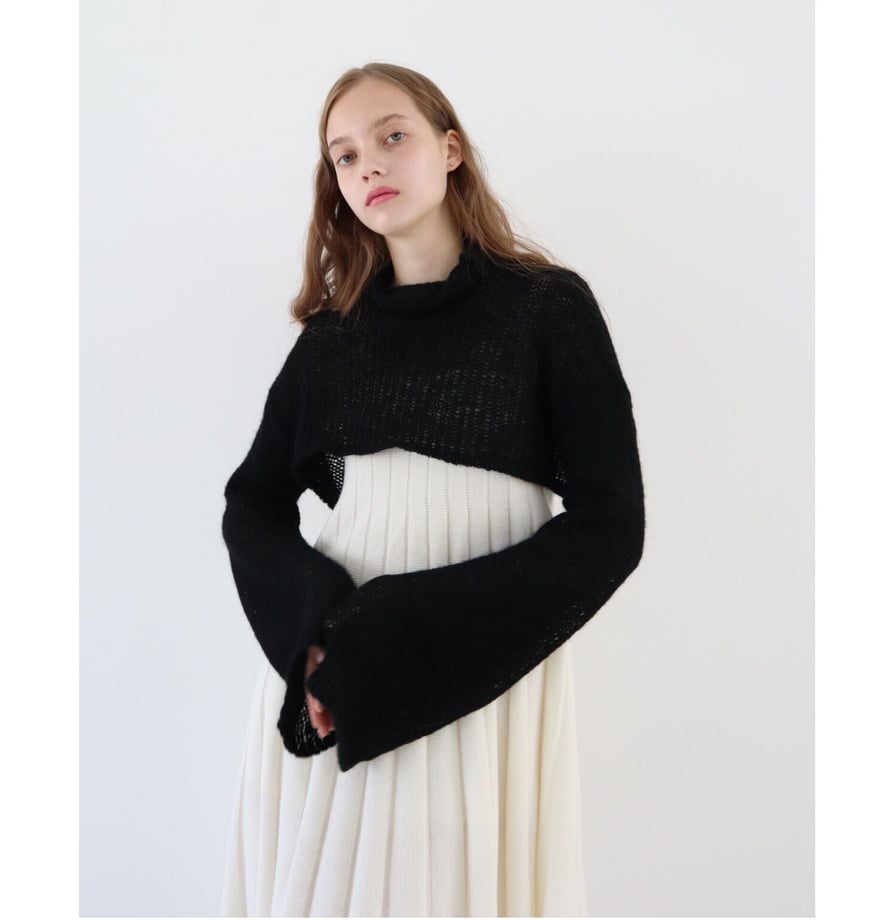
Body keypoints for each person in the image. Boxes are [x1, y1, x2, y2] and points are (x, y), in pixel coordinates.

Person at [219, 62, 645, 917]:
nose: (368, 164)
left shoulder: (547, 309)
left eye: (392, 136)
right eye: (345, 155)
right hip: (339, 669)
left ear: (451, 149)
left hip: (478, 660)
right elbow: (251, 503)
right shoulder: (332, 338)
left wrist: (402, 631)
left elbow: (611, 524)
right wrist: (313, 634)